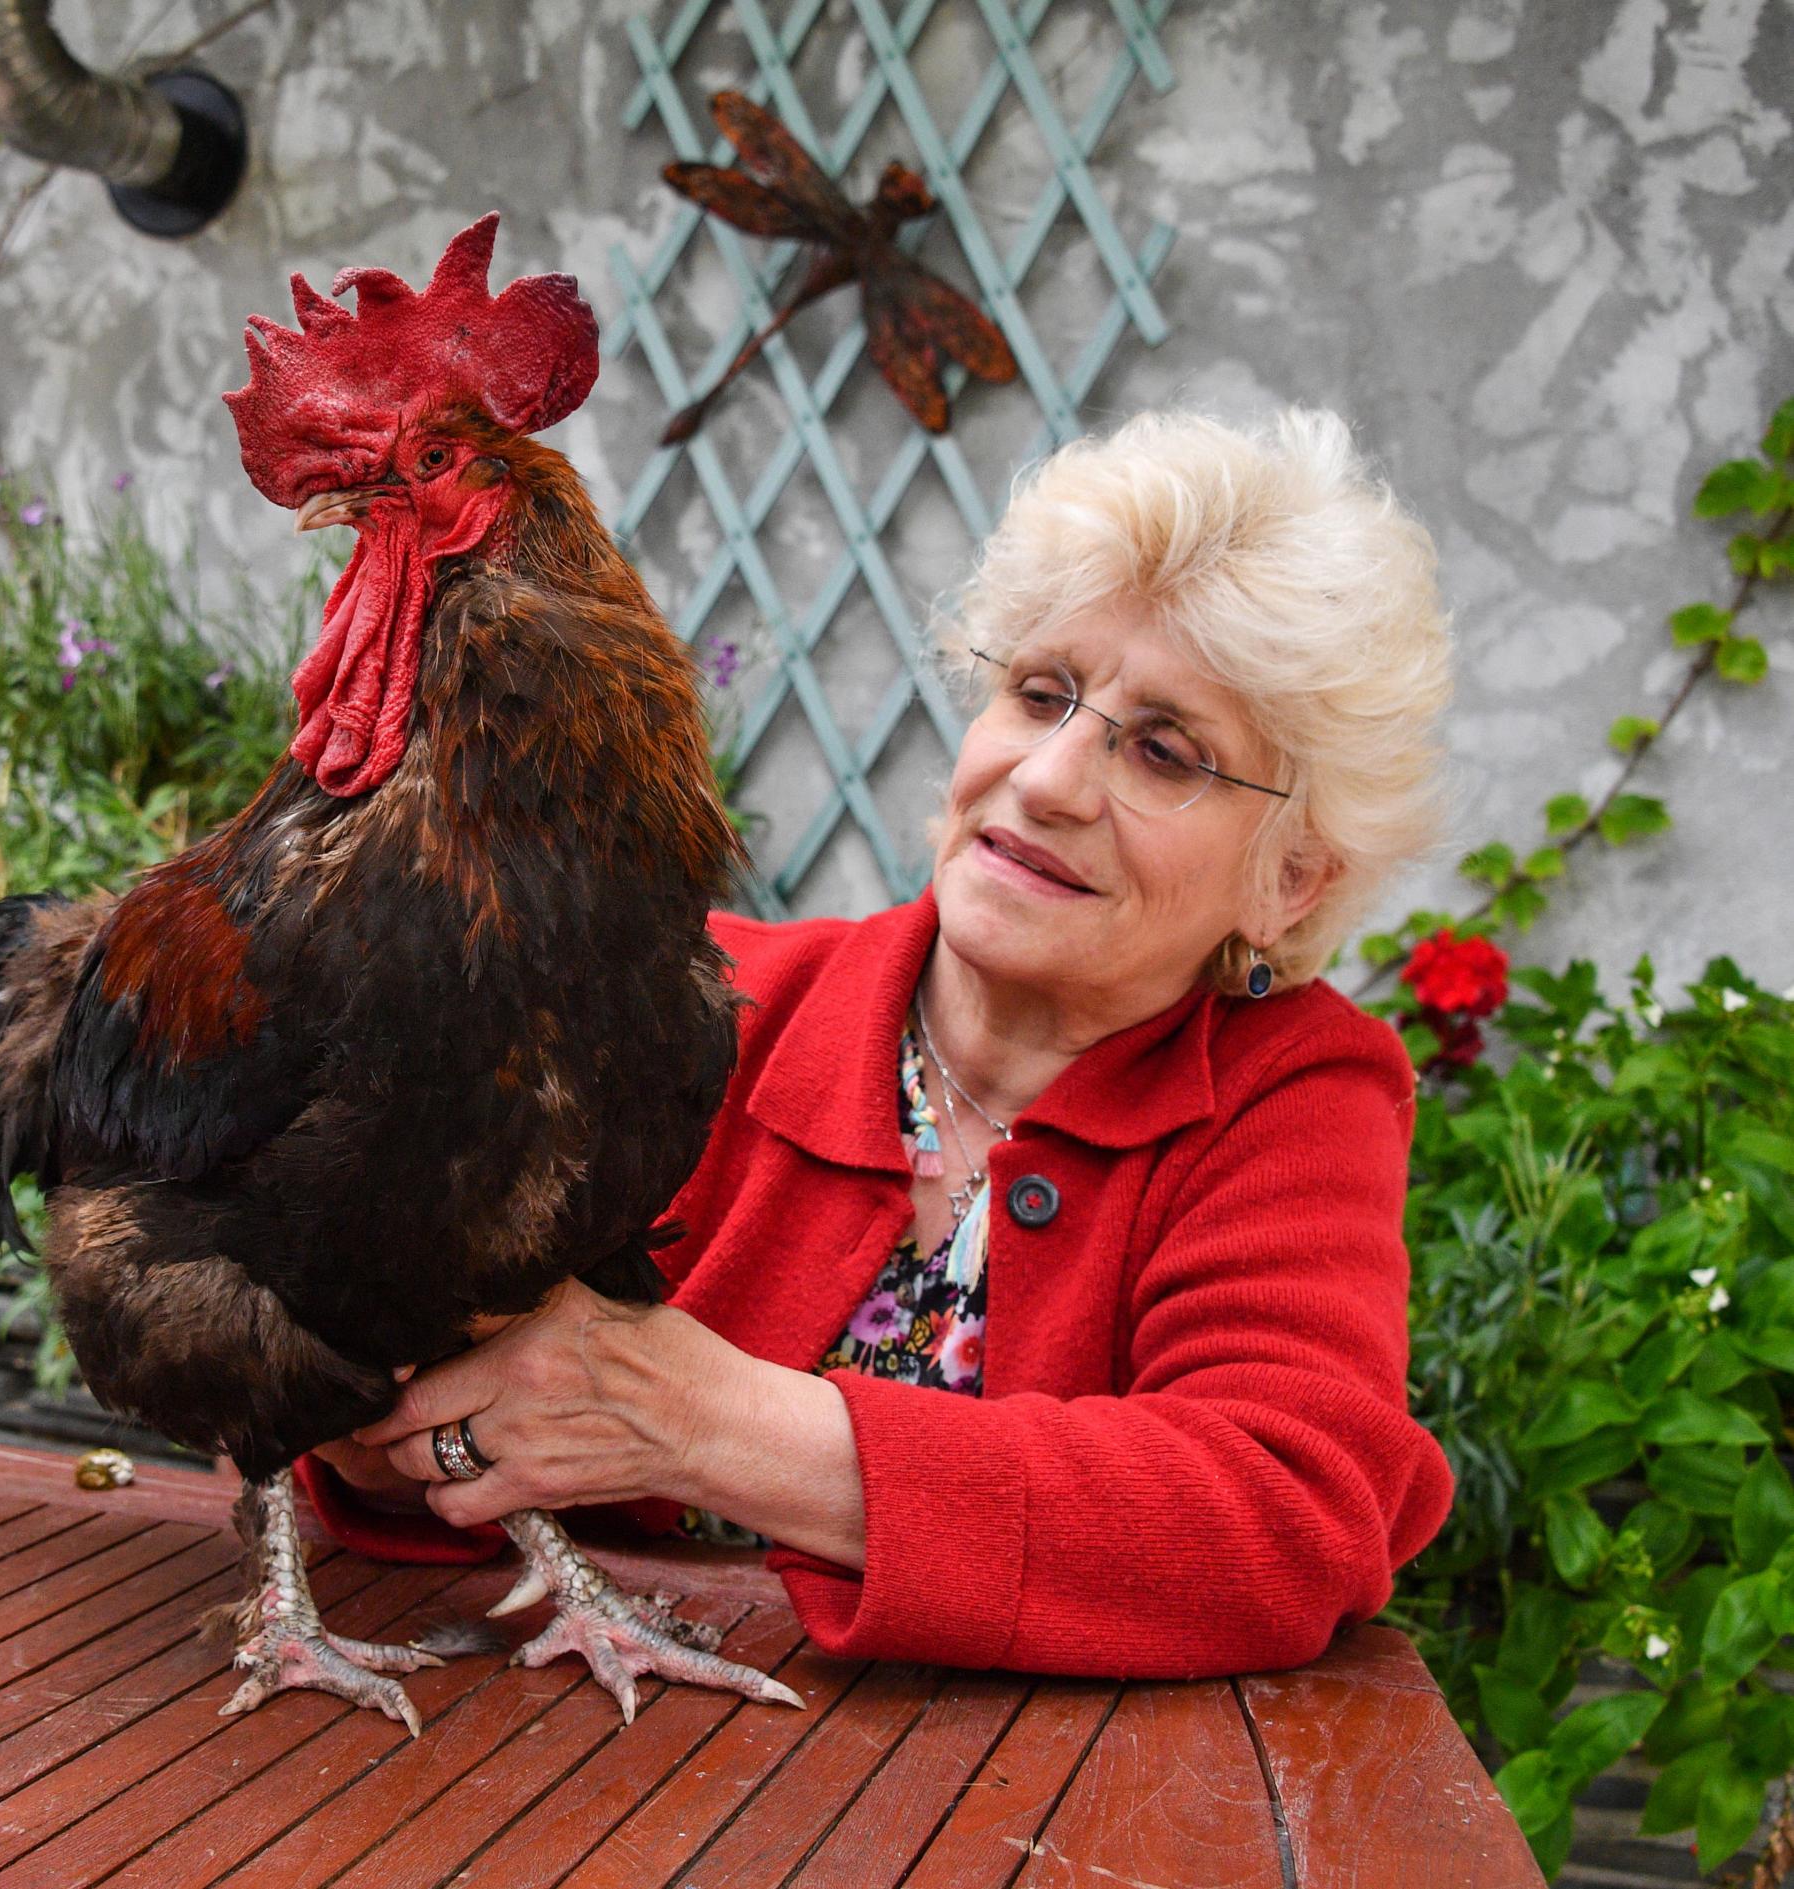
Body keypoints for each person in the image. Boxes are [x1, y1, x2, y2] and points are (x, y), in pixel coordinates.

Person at [295, 406, 1459, 1679]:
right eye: (1039, 694)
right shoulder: (685, 1003)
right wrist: (408, 1432)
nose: (1049, 778)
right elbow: (429, 1417)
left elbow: (1282, 1518)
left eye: (1165, 750)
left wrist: (705, 1421)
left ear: (1289, 880)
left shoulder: (1284, 1094)